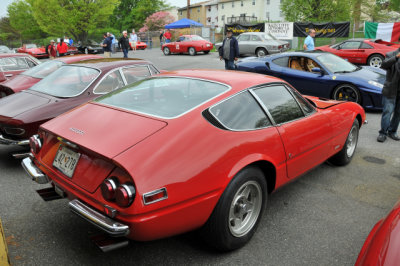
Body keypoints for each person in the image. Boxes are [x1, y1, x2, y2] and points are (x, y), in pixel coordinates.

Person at [377, 48, 400, 142]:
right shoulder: (390, 54)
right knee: (387, 112)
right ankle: (383, 133)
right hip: (390, 89)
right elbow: (383, 65)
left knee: (398, 113)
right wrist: (396, 57)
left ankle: (392, 131)